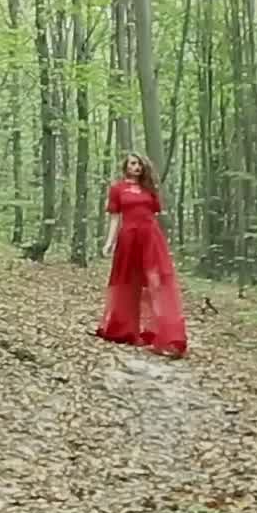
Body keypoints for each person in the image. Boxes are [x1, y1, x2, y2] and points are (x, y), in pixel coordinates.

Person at [96, 152, 188, 358]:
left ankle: (164, 333)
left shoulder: (149, 189)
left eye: (139, 164)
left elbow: (154, 213)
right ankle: (124, 329)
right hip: (128, 238)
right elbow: (114, 218)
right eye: (132, 163)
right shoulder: (117, 189)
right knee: (128, 281)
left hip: (150, 238)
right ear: (126, 166)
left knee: (155, 282)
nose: (136, 167)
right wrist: (109, 242)